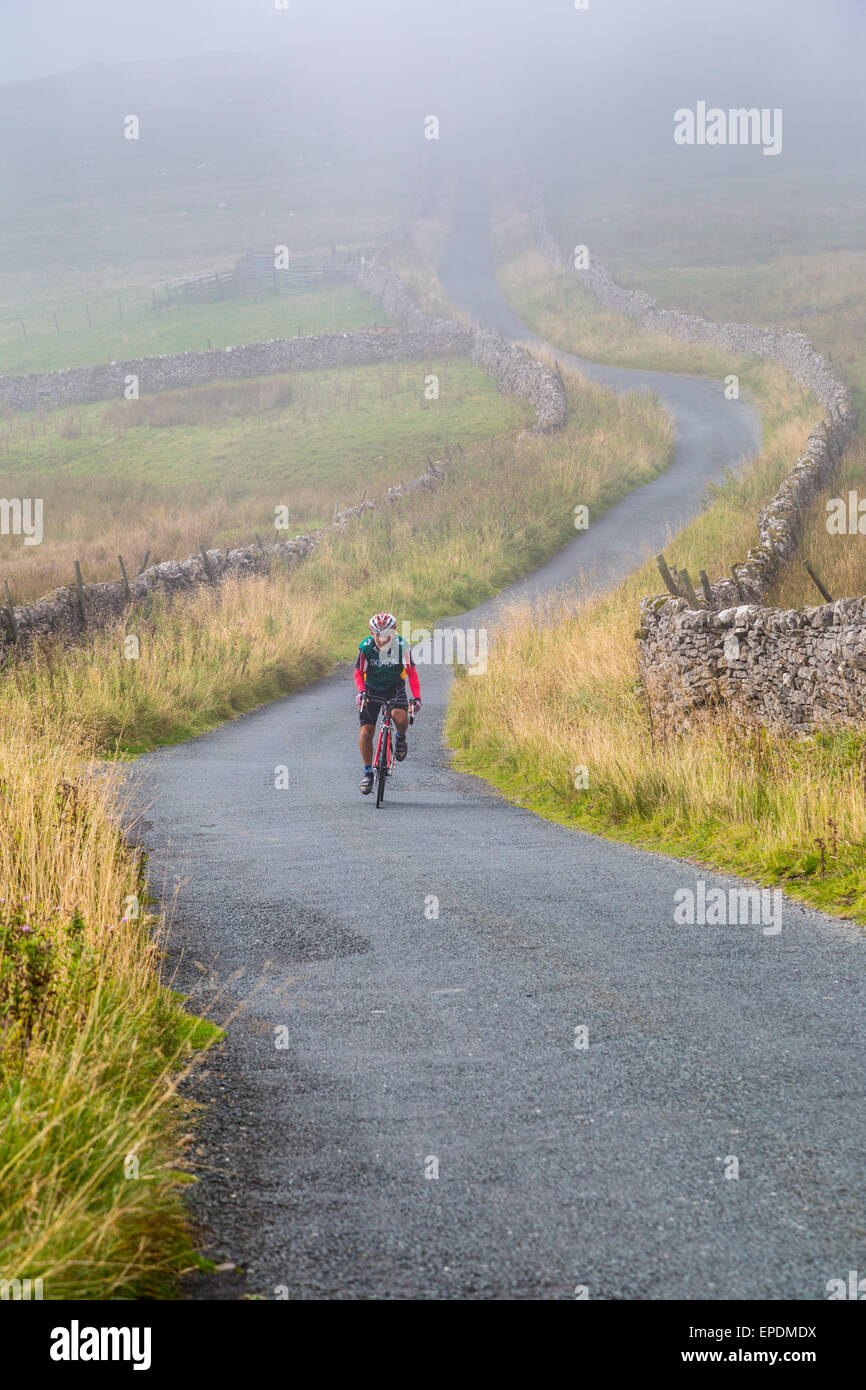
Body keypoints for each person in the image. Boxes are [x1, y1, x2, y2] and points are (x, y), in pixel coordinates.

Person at [354, 612, 421, 794]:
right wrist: (360, 692)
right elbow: (359, 673)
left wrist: (416, 698)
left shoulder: (401, 647)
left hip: (394, 687)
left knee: (399, 718)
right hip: (371, 689)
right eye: (377, 635)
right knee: (366, 732)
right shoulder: (366, 647)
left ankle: (400, 737)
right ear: (371, 633)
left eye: (386, 636)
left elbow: (412, 673)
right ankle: (368, 773)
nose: (381, 640)